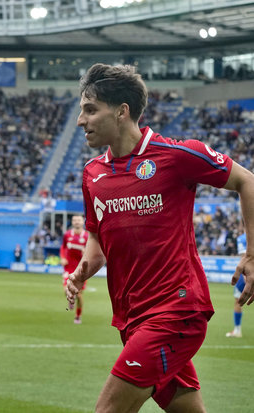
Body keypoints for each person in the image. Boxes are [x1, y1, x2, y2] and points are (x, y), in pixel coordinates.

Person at [66, 63, 254, 413]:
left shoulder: (177, 156)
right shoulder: (92, 174)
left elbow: (247, 180)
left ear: (122, 111)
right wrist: (83, 270)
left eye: (90, 110)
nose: (81, 120)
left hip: (176, 311)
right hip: (133, 318)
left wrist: (252, 253)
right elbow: (97, 239)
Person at [60, 214, 88, 324]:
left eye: (79, 220)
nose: (76, 222)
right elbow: (63, 247)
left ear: (82, 222)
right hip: (68, 268)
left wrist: (86, 253)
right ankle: (71, 300)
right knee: (66, 290)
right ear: (72, 222)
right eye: (74, 220)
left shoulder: (87, 236)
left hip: (81, 270)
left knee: (79, 295)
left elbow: (91, 253)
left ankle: (78, 315)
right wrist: (62, 257)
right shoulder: (67, 235)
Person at [226, 230, 247, 337]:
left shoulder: (242, 238)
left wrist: (245, 277)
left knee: (238, 301)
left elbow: (244, 257)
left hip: (248, 274)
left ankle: (237, 330)